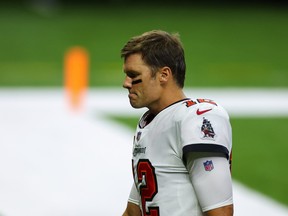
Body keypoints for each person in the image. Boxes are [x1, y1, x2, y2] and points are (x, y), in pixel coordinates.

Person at [121, 30, 233, 216]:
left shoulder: (195, 118)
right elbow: (134, 210)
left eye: (133, 75)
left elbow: (221, 211)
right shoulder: (150, 122)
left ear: (164, 75)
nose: (126, 83)